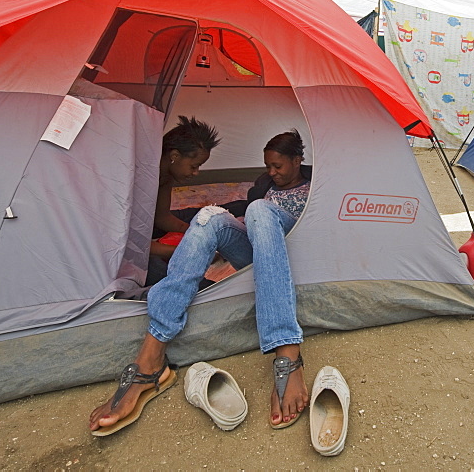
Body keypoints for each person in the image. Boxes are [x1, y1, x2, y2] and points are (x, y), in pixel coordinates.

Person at [89, 119, 312, 435]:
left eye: (278, 166)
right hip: (255, 248)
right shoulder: (264, 185)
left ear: (297, 161)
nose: (272, 172)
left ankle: (287, 351)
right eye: (268, 166)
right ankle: (151, 360)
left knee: (260, 210)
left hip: (293, 251)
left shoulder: (317, 186)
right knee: (210, 215)